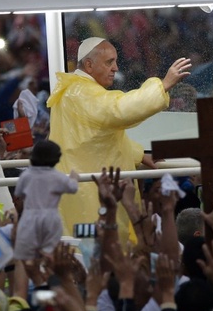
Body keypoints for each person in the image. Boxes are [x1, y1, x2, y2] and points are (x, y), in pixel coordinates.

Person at [47, 37, 191, 242]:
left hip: (83, 187)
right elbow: (118, 110)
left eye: (115, 61)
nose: (115, 68)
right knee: (103, 251)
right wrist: (163, 85)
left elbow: (95, 137)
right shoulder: (81, 92)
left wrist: (139, 154)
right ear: (89, 65)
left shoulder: (73, 89)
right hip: (91, 192)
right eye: (109, 62)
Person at [13, 140, 79, 266]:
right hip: (51, 217)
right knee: (50, 253)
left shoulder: (26, 175)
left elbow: (19, 193)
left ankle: (26, 281)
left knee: (25, 257)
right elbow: (72, 188)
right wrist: (74, 178)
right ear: (56, 158)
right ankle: (49, 280)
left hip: (29, 217)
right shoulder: (57, 176)